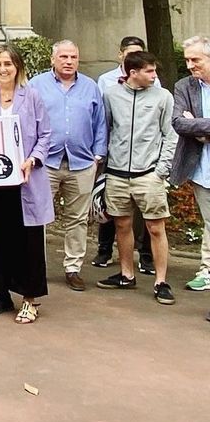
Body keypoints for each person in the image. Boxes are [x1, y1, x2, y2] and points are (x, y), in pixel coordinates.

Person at [0, 43, 54, 324]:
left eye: (8, 64)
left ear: (18, 68)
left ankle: (30, 299)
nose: (3, 69)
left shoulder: (32, 96)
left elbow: (46, 135)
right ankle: (1, 293)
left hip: (24, 179)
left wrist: (33, 160)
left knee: (28, 239)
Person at [96, 51, 178, 305]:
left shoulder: (163, 97)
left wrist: (160, 171)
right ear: (133, 73)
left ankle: (161, 281)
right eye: (149, 71)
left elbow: (170, 134)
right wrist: (105, 166)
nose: (154, 76)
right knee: (121, 225)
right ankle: (126, 274)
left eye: (154, 70)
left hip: (148, 174)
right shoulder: (111, 95)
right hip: (117, 173)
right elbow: (105, 129)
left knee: (155, 227)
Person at [29, 40, 107, 292]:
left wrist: (98, 155)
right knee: (38, 216)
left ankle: (73, 268)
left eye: (73, 56)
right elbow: (27, 119)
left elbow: (100, 123)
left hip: (82, 163)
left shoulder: (90, 87)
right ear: (53, 59)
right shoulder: (36, 85)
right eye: (63, 56)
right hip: (45, 162)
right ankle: (34, 266)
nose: (68, 61)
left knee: (78, 219)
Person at [92, 36, 156, 272]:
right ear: (121, 55)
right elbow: (102, 118)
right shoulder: (106, 82)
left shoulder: (154, 82)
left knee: (145, 211)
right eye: (130, 54)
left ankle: (146, 256)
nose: (135, 58)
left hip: (144, 159)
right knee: (111, 206)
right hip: (114, 155)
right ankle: (105, 250)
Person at [171, 35, 210, 295]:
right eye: (187, 60)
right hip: (202, 169)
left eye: (195, 59)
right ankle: (207, 271)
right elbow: (178, 123)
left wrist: (199, 125)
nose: (190, 65)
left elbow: (190, 124)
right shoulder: (185, 86)